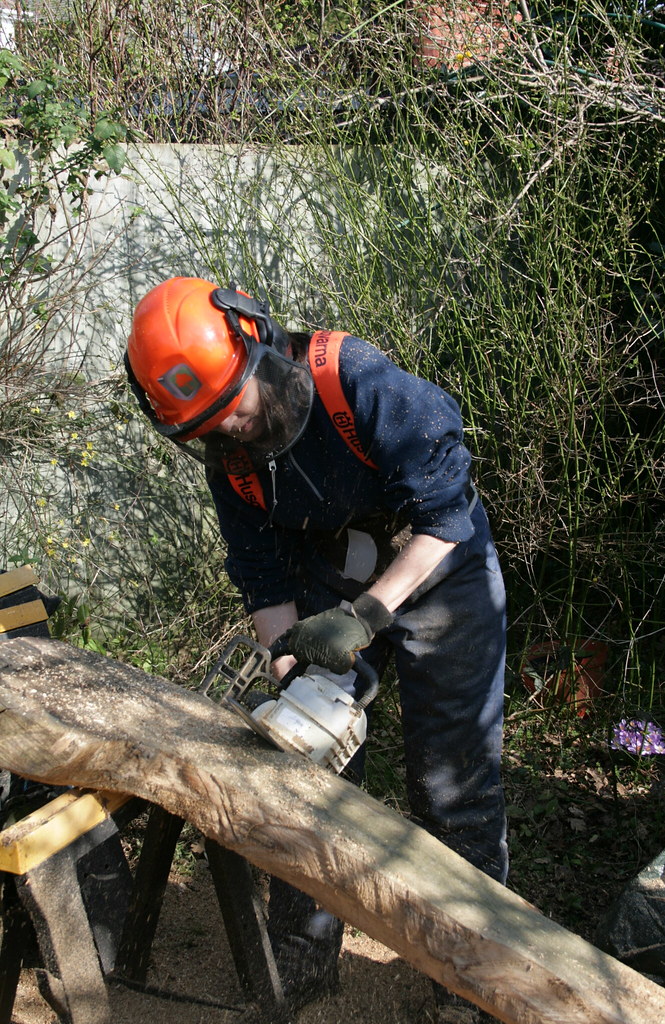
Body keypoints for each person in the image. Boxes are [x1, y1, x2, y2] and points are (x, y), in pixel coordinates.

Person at [125, 276, 507, 1023]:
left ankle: (470, 982)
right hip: (330, 569)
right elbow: (261, 573)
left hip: (435, 566)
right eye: (207, 426)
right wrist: (289, 666)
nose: (231, 431)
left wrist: (365, 617)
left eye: (235, 407)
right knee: (303, 782)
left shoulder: (356, 383)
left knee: (453, 780)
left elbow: (445, 514)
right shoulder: (226, 453)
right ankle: (298, 963)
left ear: (257, 343)